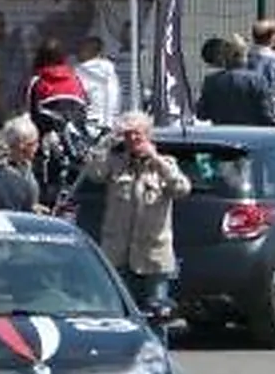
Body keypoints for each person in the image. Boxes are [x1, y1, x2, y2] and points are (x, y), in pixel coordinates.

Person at [81, 111, 193, 311]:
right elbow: (95, 173)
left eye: (137, 134)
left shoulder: (165, 164)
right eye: (128, 135)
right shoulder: (116, 163)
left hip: (153, 257)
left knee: (158, 314)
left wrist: (155, 159)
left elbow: (182, 188)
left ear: (148, 135)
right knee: (121, 312)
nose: (133, 139)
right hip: (118, 254)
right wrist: (106, 142)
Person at [196, 34, 275, 126]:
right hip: (253, 135)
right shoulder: (257, 80)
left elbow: (201, 114)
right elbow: (267, 114)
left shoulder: (211, 81)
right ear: (243, 55)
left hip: (222, 135)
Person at [74, 35, 122, 129]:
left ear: (92, 52)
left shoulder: (79, 71)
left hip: (90, 123)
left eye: (81, 50)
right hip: (112, 122)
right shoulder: (110, 68)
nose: (77, 53)